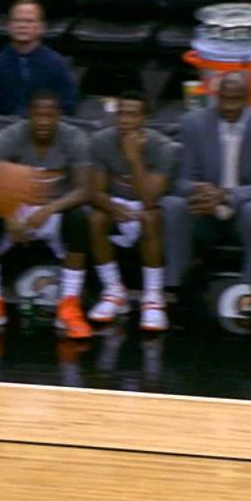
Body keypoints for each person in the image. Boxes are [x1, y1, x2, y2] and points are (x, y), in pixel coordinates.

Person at [0, 90, 94, 338]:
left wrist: (48, 209)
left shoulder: (74, 138)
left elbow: (85, 189)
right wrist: (9, 217)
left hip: (55, 208)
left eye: (49, 115)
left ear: (58, 116)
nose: (43, 121)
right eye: (38, 115)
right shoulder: (12, 135)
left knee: (80, 216)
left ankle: (69, 306)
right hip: (17, 207)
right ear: (29, 115)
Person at [162, 73, 251, 309]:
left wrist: (228, 195)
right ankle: (175, 288)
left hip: (244, 215)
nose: (229, 107)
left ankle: (250, 290)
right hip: (205, 213)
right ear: (216, 97)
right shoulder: (193, 124)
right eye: (224, 99)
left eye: (236, 99)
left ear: (248, 99)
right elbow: (180, 181)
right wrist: (199, 190)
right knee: (172, 205)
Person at [86, 90, 178, 331]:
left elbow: (150, 199)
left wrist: (134, 158)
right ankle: (114, 291)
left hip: (149, 208)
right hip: (115, 203)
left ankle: (153, 298)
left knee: (150, 216)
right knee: (96, 217)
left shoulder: (164, 147)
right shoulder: (101, 141)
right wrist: (111, 206)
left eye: (133, 115)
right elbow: (96, 191)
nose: (125, 120)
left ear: (144, 119)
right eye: (121, 114)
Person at [0, 0, 76, 116]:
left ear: (42, 27)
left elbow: (67, 107)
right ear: (8, 26)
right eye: (17, 20)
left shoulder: (57, 65)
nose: (22, 25)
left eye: (29, 21)